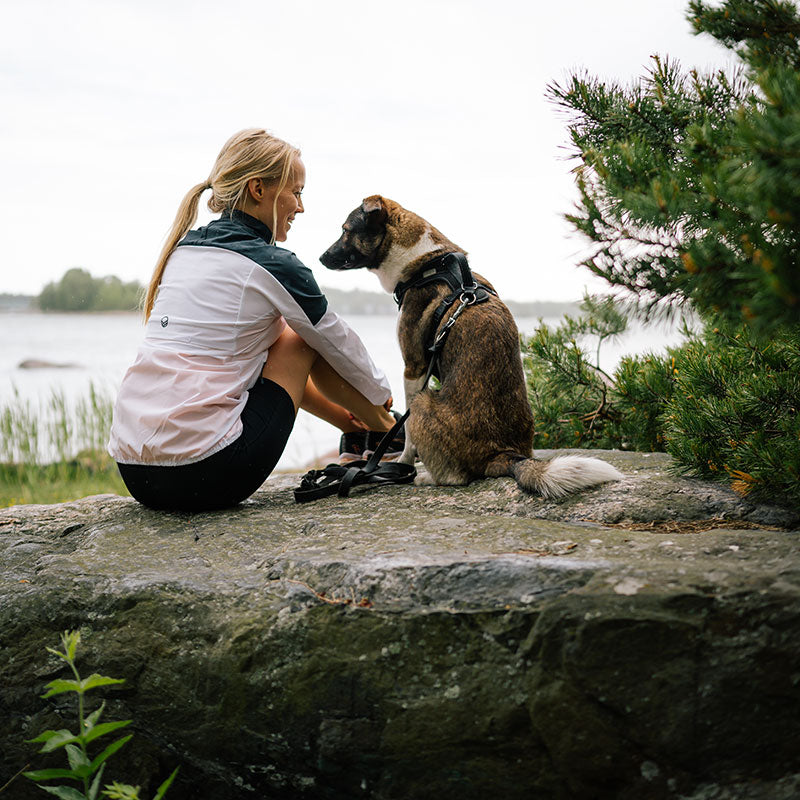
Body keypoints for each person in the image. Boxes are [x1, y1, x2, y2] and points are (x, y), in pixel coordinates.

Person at [108, 128, 398, 511]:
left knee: (278, 337)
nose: (300, 207)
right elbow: (336, 341)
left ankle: (356, 429)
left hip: (135, 473)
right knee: (299, 336)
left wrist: (352, 415)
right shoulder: (272, 264)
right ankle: (390, 434)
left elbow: (282, 369)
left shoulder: (184, 251)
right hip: (206, 471)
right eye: (296, 192)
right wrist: (381, 395)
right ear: (259, 189)